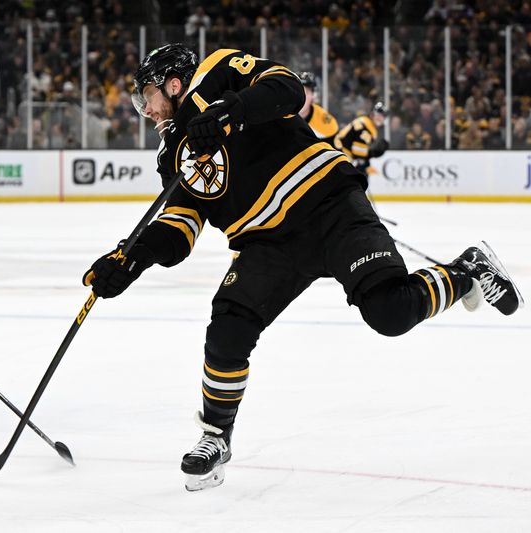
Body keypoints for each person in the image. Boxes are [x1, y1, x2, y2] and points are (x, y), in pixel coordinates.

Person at [82, 44, 523, 492]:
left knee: (390, 312)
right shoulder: (170, 156)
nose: (146, 109)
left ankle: (467, 270)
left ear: (173, 83)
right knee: (228, 328)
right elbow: (180, 229)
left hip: (328, 204)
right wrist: (131, 258)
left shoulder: (216, 72)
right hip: (267, 245)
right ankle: (216, 436)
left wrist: (227, 114)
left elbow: (287, 89)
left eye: (148, 96)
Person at [334, 101, 390, 180]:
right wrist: (370, 155)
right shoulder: (365, 125)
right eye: (379, 114)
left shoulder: (369, 125)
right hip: (340, 153)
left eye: (383, 116)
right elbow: (358, 153)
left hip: (342, 154)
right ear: (372, 114)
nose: (381, 118)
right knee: (361, 175)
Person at [297, 72, 339, 143]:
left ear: (314, 96)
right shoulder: (278, 116)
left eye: (306, 92)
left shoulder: (326, 124)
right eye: (298, 91)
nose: (302, 97)